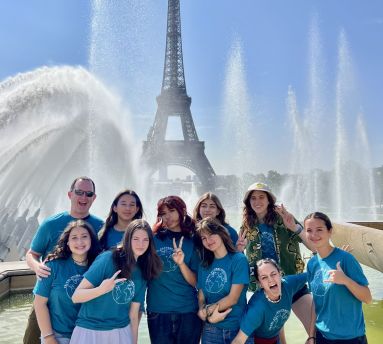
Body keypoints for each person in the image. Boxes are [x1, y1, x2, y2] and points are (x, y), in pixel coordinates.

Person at [24, 176, 104, 344]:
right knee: (33, 339)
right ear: (70, 195)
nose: (83, 197)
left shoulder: (101, 226)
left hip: (80, 304)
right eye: (79, 192)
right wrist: (38, 267)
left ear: (94, 198)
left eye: (89, 194)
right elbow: (32, 254)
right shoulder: (51, 224)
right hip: (48, 297)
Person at [239, 182, 315, 337]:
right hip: (269, 287)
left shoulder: (284, 218)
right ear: (248, 202)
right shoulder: (247, 225)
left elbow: (313, 247)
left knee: (315, 331)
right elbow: (238, 257)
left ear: (269, 200)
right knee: (277, 337)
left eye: (262, 197)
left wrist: (295, 228)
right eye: (253, 198)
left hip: (292, 282)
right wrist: (238, 250)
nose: (257, 201)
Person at [70, 219, 162, 344]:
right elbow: (76, 296)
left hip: (120, 332)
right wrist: (101, 290)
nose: (141, 244)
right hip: (90, 330)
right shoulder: (108, 258)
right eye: (136, 239)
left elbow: (134, 314)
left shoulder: (142, 270)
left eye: (145, 239)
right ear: (128, 239)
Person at [304, 212, 372, 344]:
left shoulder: (346, 259)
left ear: (330, 231)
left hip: (351, 338)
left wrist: (345, 280)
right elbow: (315, 302)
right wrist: (311, 336)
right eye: (309, 230)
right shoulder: (312, 264)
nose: (314, 235)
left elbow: (368, 298)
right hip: (322, 337)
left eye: (319, 229)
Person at [33, 220, 101, 344]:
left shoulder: (98, 267)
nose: (80, 242)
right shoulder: (52, 266)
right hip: (58, 335)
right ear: (68, 242)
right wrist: (49, 337)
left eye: (84, 237)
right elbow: (39, 303)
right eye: (74, 238)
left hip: (88, 335)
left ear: (91, 239)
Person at [146, 195, 202, 344]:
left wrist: (181, 263)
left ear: (182, 211)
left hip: (188, 311)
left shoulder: (193, 240)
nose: (167, 216)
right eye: (163, 213)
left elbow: (195, 281)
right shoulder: (152, 239)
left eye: (171, 211)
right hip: (158, 310)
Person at [195, 217, 249, 344]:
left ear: (221, 233)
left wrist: (207, 311)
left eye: (211, 234)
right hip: (211, 331)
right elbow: (201, 297)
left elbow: (233, 298)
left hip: (237, 329)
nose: (208, 240)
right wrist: (202, 311)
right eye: (203, 238)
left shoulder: (238, 260)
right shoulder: (204, 265)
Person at [232, 258, 308, 344]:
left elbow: (311, 273)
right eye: (264, 277)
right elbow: (239, 340)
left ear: (280, 274)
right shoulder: (257, 308)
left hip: (275, 338)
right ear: (260, 284)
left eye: (273, 274)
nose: (270, 280)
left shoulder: (288, 285)